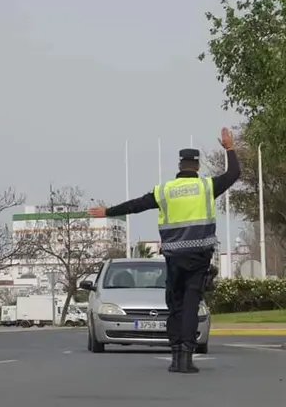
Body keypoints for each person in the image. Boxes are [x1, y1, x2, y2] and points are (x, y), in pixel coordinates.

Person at [88, 127, 240, 374]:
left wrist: (108, 212)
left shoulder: (165, 191)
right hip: (198, 257)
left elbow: (136, 205)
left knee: (176, 306)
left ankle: (175, 356)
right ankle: (186, 360)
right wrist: (230, 148)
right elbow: (234, 173)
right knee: (191, 305)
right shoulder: (207, 187)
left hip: (173, 258)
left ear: (179, 166)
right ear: (197, 166)